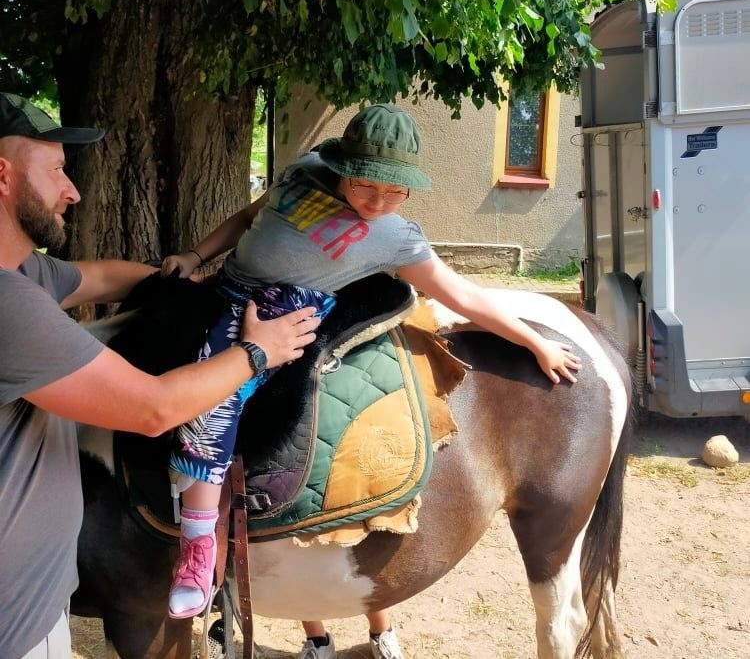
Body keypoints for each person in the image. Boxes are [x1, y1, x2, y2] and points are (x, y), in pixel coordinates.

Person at [161, 103, 582, 658]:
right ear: (341, 167)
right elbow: (249, 217)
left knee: (208, 407)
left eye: (395, 191)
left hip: (283, 316)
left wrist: (535, 341)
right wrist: (196, 254)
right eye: (366, 186)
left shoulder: (395, 237)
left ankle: (197, 545)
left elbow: (464, 295)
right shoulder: (304, 170)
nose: (379, 201)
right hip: (228, 289)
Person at [0, 92, 320, 659]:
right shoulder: (9, 306)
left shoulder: (23, 270)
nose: (71, 190)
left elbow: (95, 278)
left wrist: (177, 282)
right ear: (3, 176)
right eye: (55, 172)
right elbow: (154, 409)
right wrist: (257, 351)